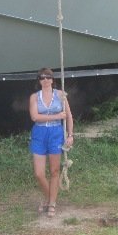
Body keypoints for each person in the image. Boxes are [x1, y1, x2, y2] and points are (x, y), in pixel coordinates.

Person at [28, 67, 74, 218]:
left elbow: (68, 116)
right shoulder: (34, 97)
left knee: (54, 171)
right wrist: (56, 116)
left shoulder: (61, 95)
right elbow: (35, 117)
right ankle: (50, 198)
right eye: (42, 77)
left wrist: (70, 135)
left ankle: (52, 203)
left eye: (48, 77)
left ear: (52, 80)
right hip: (39, 134)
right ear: (39, 81)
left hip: (56, 134)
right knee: (39, 173)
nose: (45, 80)